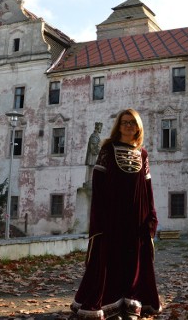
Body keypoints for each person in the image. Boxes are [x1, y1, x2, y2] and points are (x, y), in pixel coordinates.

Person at [71, 109, 161, 320]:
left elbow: (147, 188)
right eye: (125, 122)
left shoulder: (143, 154)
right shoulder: (107, 149)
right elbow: (98, 184)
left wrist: (151, 214)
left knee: (134, 261)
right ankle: (110, 305)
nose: (128, 126)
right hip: (112, 215)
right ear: (118, 126)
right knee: (110, 260)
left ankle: (131, 304)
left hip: (137, 217)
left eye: (132, 123)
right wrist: (99, 216)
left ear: (138, 127)